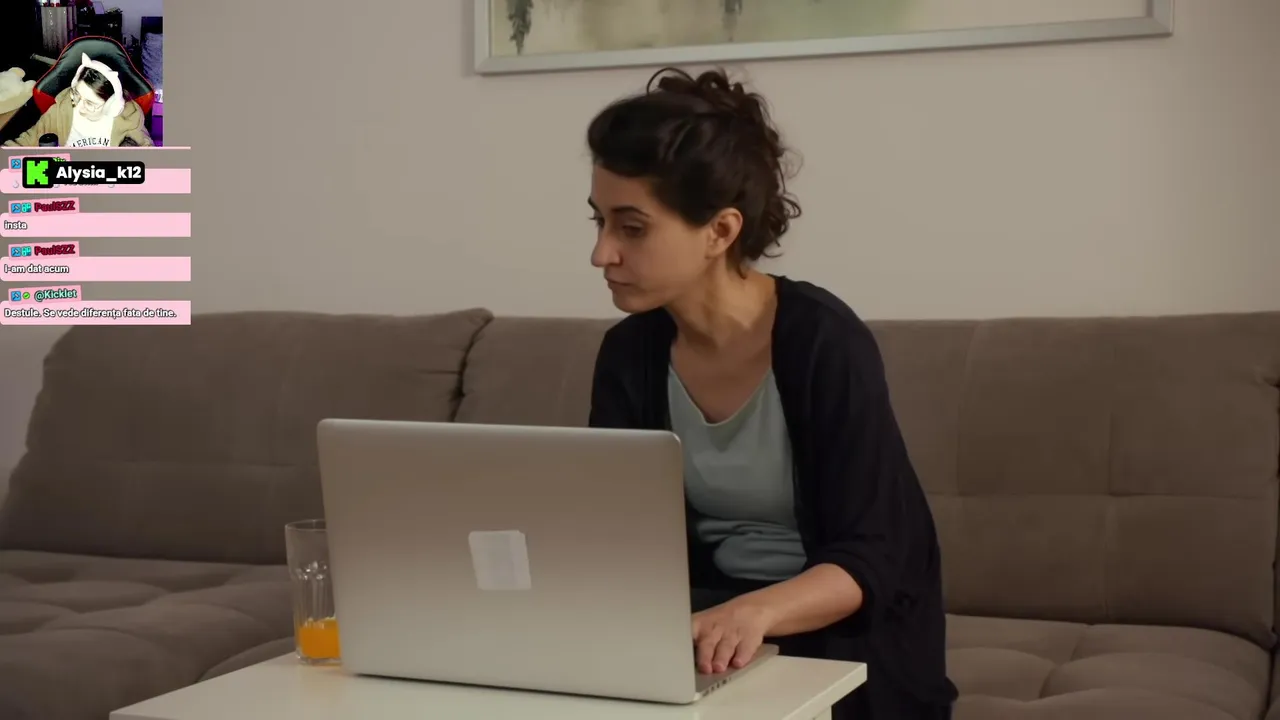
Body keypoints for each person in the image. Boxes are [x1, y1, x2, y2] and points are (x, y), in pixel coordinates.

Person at [585, 67, 958, 720]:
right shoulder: (629, 355)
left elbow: (872, 555)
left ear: (720, 231)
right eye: (599, 222)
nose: (601, 253)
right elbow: (620, 537)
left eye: (632, 228)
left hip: (848, 653)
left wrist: (751, 613)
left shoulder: (823, 341)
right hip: (704, 639)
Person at [2, 53, 152, 148]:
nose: (79, 107)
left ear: (111, 106)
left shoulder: (129, 117)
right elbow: (28, 140)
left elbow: (148, 154)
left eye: (90, 103)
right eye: (77, 95)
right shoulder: (61, 110)